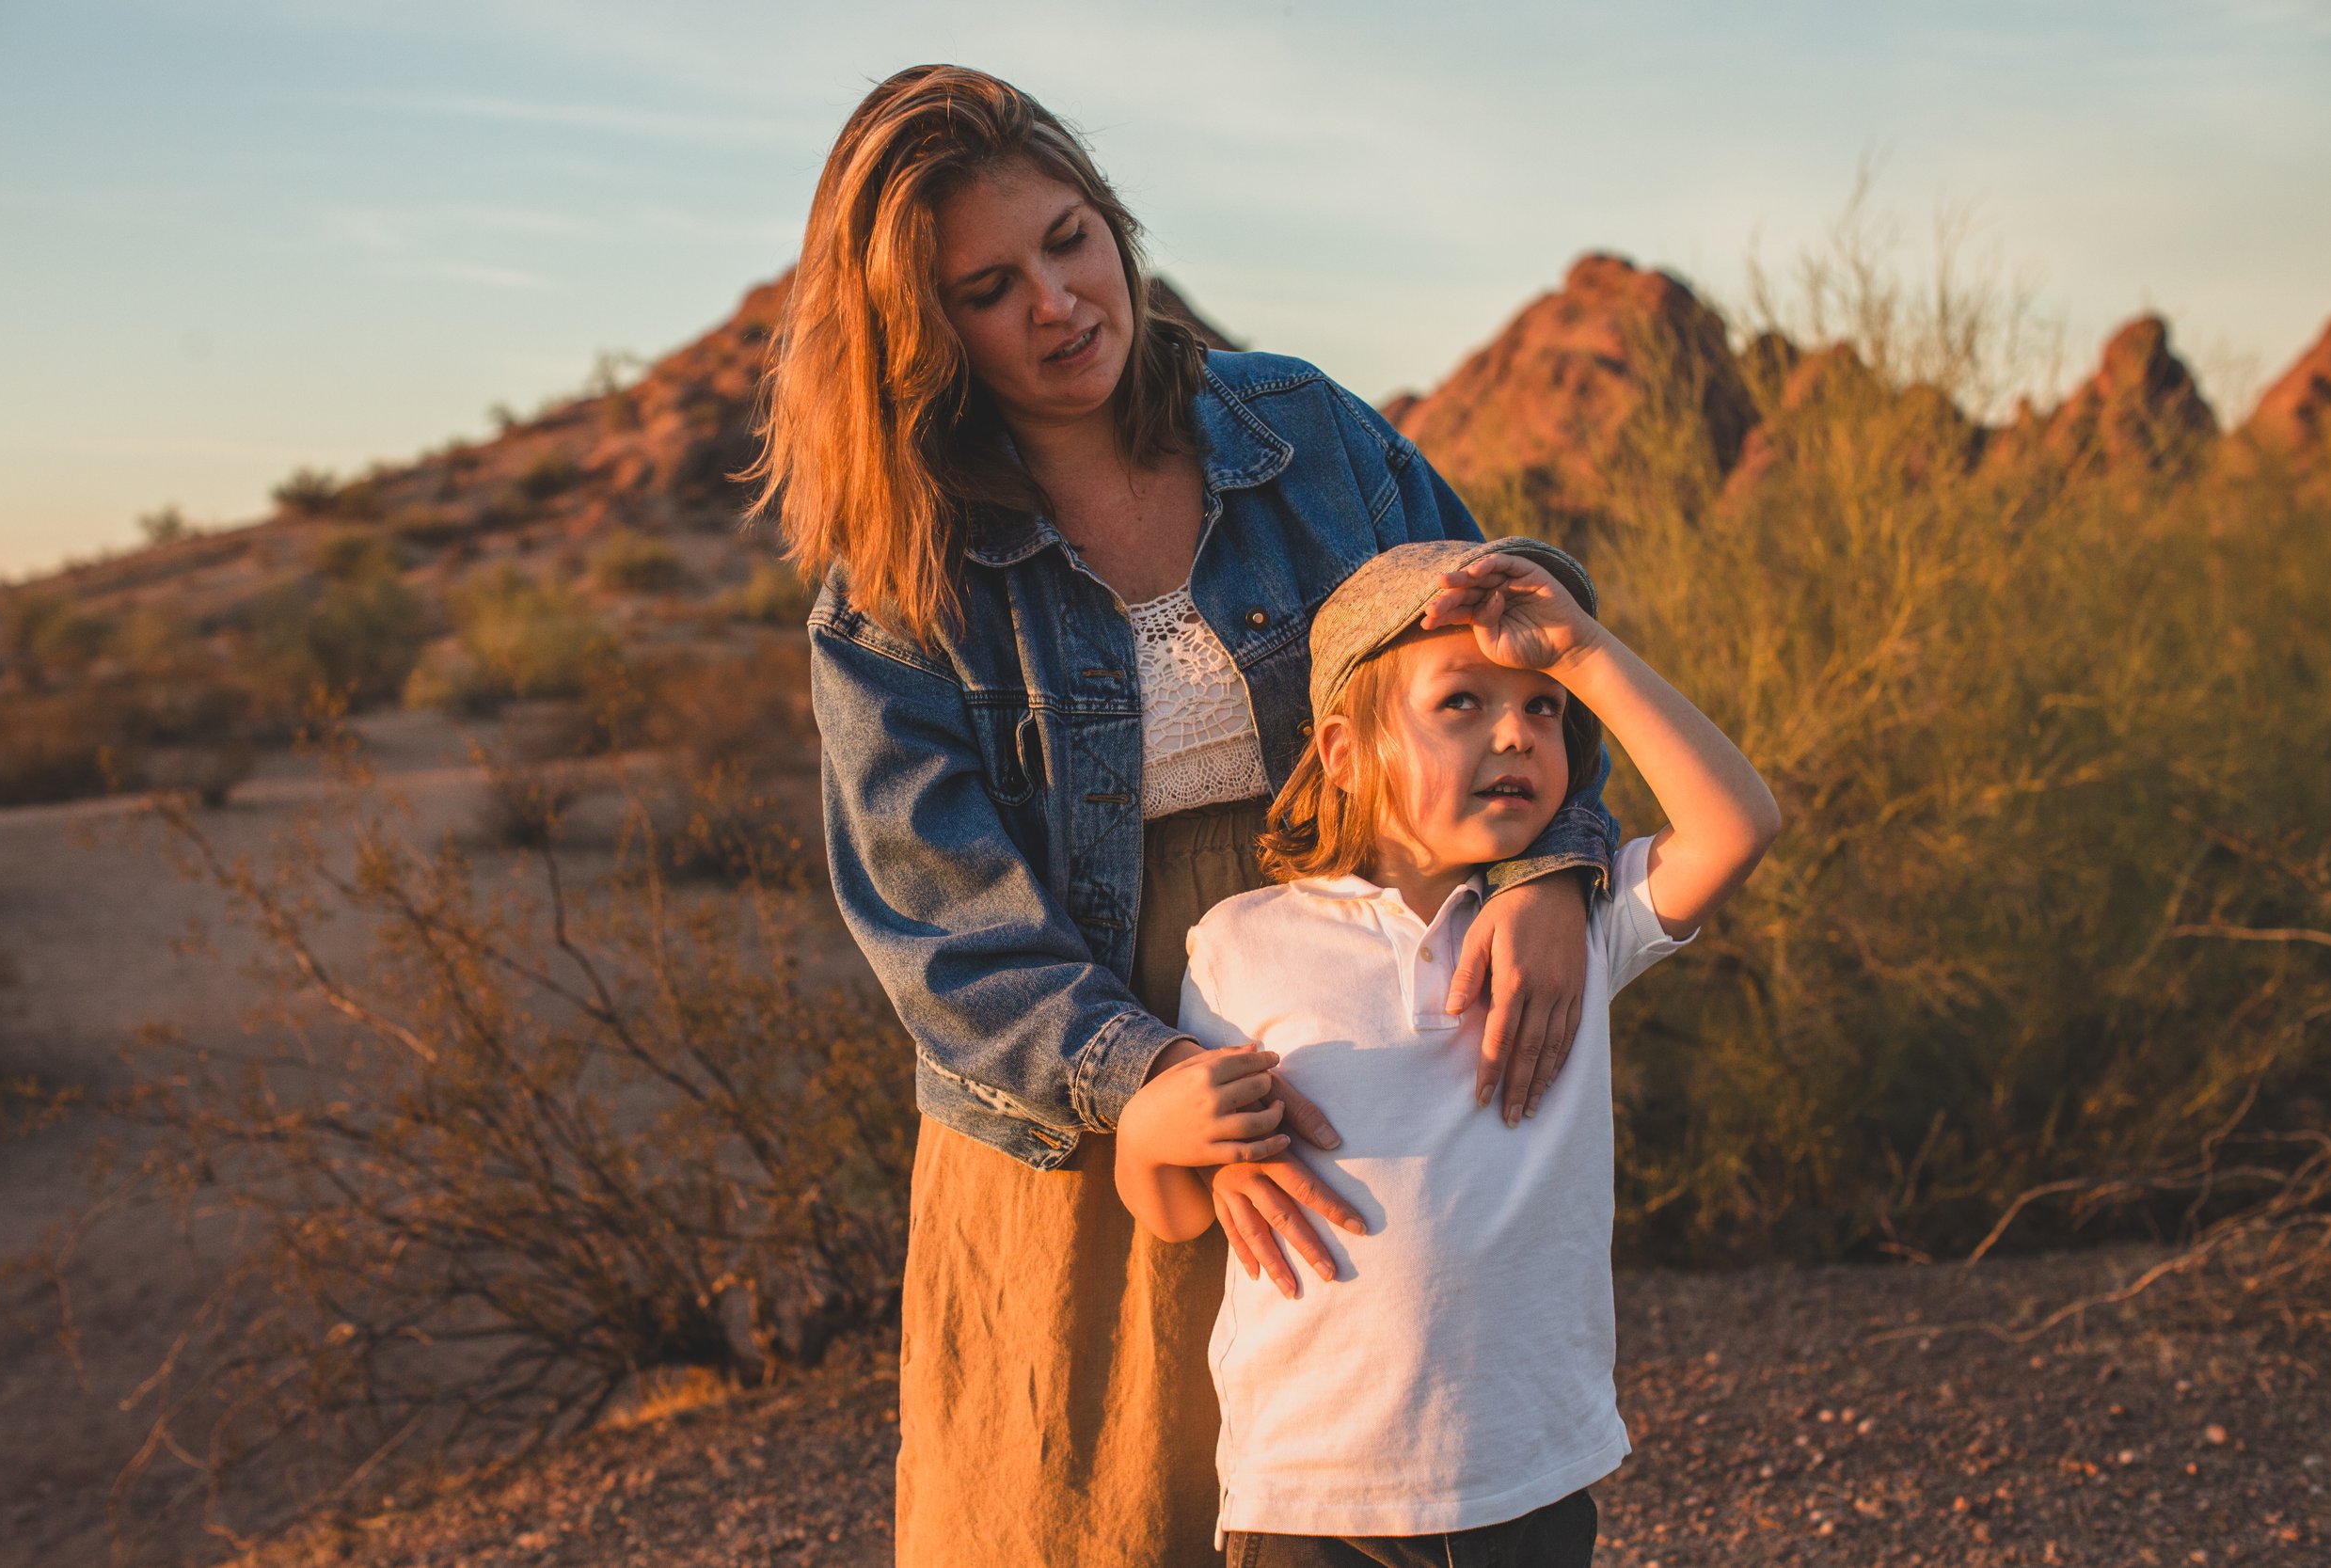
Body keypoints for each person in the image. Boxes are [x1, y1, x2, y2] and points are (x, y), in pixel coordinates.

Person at [755, 65, 1624, 1567]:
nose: (1058, 301)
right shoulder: (900, 582)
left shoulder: (1305, 433)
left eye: (1073, 239)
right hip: (1087, 1099)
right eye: (988, 287)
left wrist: (1555, 860)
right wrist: (1144, 1076)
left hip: (1352, 1050)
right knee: (1089, 1514)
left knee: (1377, 1464)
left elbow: (1507, 637)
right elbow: (935, 919)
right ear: (919, 332)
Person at [1116, 540, 1782, 1566]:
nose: (1516, 730)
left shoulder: (1578, 930)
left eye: (1544, 705)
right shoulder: (1245, 941)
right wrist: (1155, 1136)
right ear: (1342, 752)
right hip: (1309, 1490)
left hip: (1526, 1474)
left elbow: (1737, 824)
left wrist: (1584, 651)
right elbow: (1175, 1210)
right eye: (1462, 702)